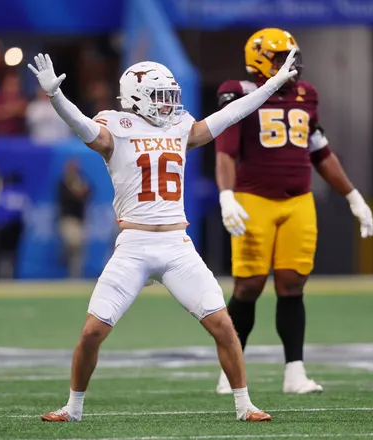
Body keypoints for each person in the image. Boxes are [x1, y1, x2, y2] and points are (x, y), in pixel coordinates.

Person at [27, 48, 298, 422]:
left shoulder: (181, 126)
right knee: (92, 332)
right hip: (134, 246)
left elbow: (231, 113)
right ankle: (73, 408)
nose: (169, 105)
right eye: (161, 96)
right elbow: (84, 129)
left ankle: (244, 405)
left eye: (172, 97)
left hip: (176, 244)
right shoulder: (116, 126)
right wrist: (56, 97)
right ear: (136, 96)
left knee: (222, 324)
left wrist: (272, 85)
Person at [214, 28, 373, 395]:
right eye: (279, 56)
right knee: (249, 285)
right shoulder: (238, 91)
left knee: (292, 285)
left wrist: (353, 196)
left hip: (298, 200)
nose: (290, 64)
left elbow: (319, 149)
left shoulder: (306, 94)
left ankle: (294, 372)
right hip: (253, 198)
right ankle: (230, 369)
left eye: (292, 56)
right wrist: (227, 195)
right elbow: (225, 150)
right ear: (258, 59)